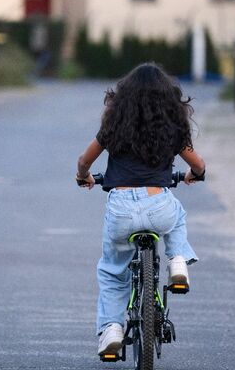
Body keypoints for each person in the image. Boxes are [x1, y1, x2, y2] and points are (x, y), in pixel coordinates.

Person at [75, 62, 205, 358]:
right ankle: (177, 262)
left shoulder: (113, 128)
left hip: (120, 208)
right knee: (177, 216)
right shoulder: (171, 130)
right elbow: (198, 165)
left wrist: (83, 175)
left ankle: (111, 329)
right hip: (159, 203)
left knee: (112, 272)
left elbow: (85, 161)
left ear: (123, 99)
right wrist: (193, 174)